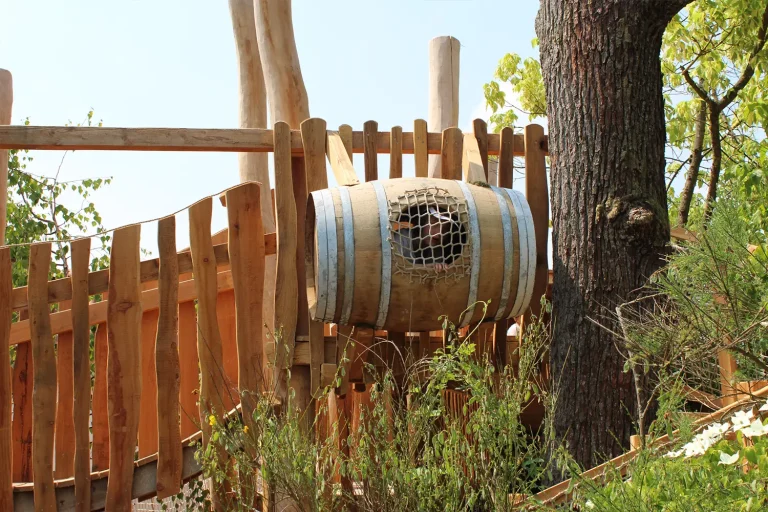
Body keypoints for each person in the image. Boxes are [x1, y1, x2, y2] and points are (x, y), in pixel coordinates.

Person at [392, 203, 465, 272]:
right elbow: (394, 267)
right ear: (422, 223)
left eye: (446, 229)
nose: (439, 232)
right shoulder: (402, 238)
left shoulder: (437, 249)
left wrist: (439, 267)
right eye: (434, 223)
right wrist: (426, 267)